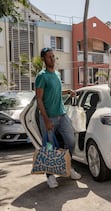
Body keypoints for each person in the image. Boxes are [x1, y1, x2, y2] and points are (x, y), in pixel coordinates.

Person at [35, 47, 82, 188]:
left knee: (71, 142)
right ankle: (50, 176)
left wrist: (68, 91)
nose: (52, 59)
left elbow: (55, 92)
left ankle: (68, 167)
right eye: (49, 57)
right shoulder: (41, 76)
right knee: (49, 147)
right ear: (43, 59)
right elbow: (39, 99)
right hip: (48, 118)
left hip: (62, 115)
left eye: (53, 56)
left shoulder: (56, 74)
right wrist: (47, 120)